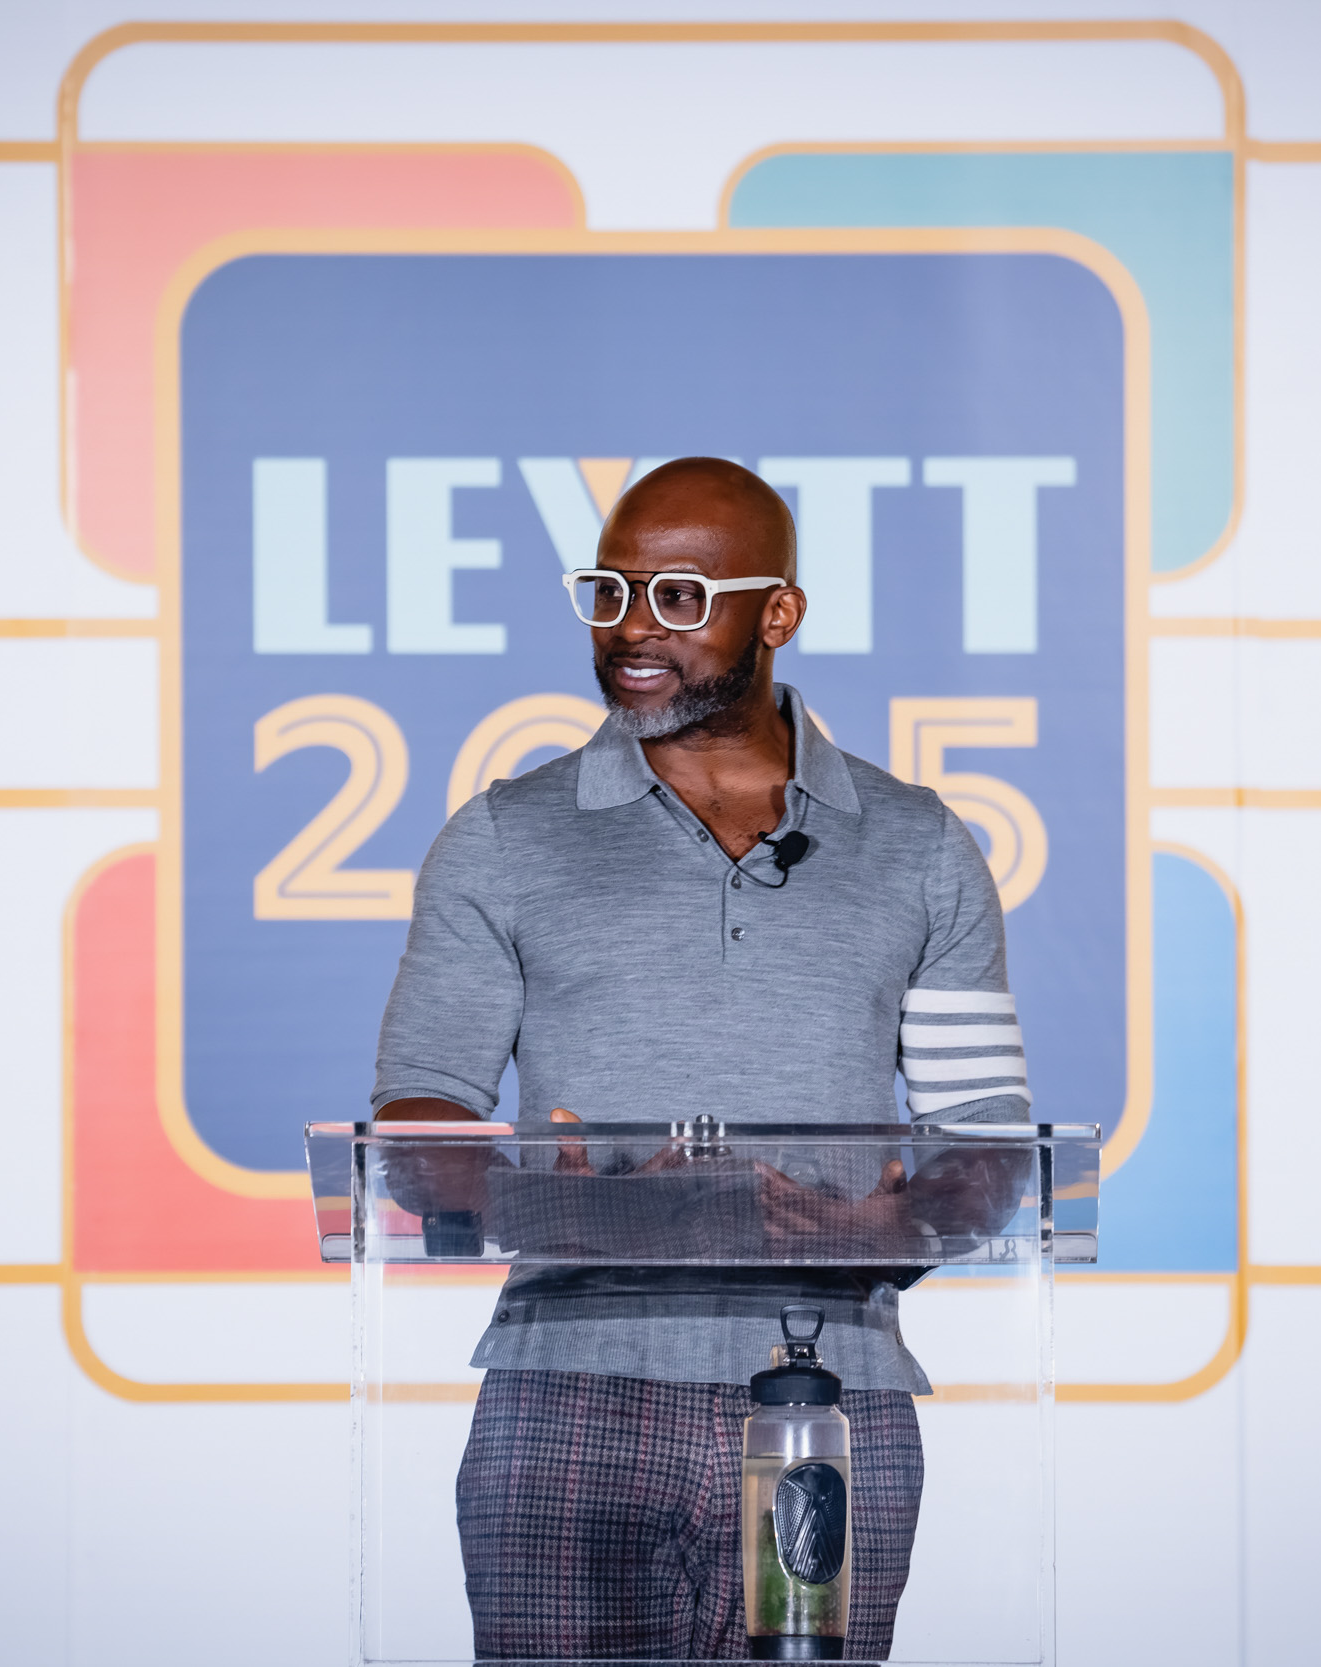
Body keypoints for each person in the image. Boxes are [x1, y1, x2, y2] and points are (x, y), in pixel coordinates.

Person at [372, 457, 1031, 1661]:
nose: (632, 627)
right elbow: (417, 1128)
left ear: (776, 613)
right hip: (569, 1397)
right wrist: (587, 1211)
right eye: (610, 591)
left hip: (830, 1396)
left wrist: (865, 1230)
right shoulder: (504, 836)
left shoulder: (918, 844)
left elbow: (986, 1148)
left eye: (678, 596)